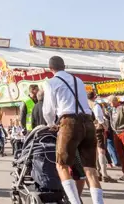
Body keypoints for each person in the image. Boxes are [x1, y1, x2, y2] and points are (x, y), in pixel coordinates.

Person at [42, 56, 104, 204]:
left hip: (69, 122)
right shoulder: (79, 81)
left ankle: (74, 202)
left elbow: (48, 110)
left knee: (61, 164)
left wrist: (51, 123)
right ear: (64, 66)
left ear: (50, 69)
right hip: (88, 122)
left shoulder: (51, 83)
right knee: (91, 170)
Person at [87, 90, 115, 183]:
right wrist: (105, 126)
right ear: (94, 96)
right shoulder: (95, 105)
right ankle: (104, 174)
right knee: (101, 151)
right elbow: (99, 117)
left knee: (94, 151)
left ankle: (97, 173)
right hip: (98, 129)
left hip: (89, 129)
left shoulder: (84, 105)